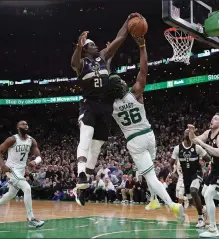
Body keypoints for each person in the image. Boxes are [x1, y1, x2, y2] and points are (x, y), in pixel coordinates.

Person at [111, 34, 185, 222]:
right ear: (121, 85)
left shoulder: (108, 105)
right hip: (149, 135)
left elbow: (105, 82)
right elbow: (143, 70)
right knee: (149, 171)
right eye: (120, 80)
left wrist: (108, 58)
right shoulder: (135, 93)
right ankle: (153, 200)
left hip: (134, 141)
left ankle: (172, 205)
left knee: (150, 176)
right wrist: (142, 45)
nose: (122, 81)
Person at [71, 13, 141, 207]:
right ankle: (81, 175)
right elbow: (73, 63)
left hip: (106, 106)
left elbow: (119, 39)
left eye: (94, 45)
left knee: (96, 147)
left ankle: (81, 189)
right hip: (89, 104)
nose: (96, 46)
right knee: (86, 135)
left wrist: (127, 22)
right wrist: (78, 46)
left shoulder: (102, 57)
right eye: (91, 45)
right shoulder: (82, 62)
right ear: (85, 49)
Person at [0, 121, 44, 228]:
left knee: (12, 194)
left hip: (21, 170)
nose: (26, 125)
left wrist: (35, 162)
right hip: (11, 168)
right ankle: (31, 218)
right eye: (23, 124)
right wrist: (2, 165)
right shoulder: (12, 139)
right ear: (18, 128)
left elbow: (39, 157)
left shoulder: (31, 140)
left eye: (27, 124)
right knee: (27, 188)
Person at [171, 129, 210, 228]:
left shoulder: (197, 148)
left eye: (189, 133)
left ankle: (200, 218)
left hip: (196, 173)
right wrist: (172, 173)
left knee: (193, 191)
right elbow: (170, 163)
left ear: (192, 136)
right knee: (191, 201)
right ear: (183, 135)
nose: (187, 134)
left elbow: (208, 158)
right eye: (186, 132)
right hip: (186, 176)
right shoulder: (177, 148)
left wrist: (202, 160)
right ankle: (203, 209)